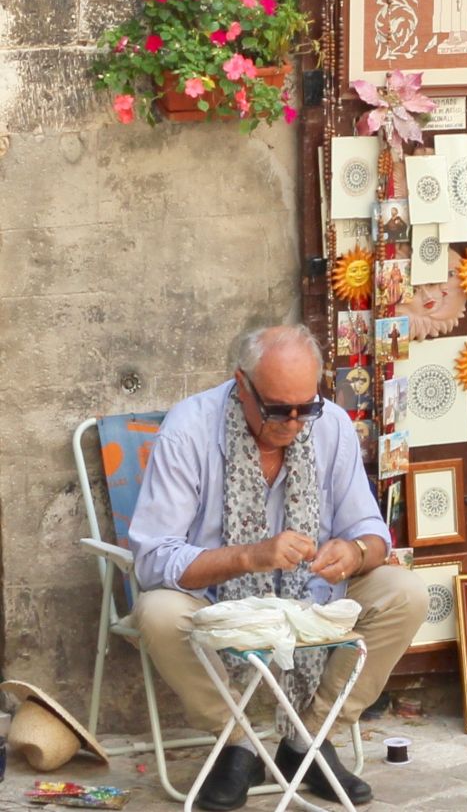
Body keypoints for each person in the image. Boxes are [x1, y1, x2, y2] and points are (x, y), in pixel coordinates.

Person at [129, 326, 426, 811]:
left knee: (406, 592)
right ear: (241, 385)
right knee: (158, 611)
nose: (292, 422)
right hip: (214, 602)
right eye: (276, 409)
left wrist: (355, 552)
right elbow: (154, 558)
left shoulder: (329, 424)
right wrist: (250, 555)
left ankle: (307, 740)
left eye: (303, 407)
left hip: (310, 599)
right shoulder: (189, 429)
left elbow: (373, 532)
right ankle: (238, 742)